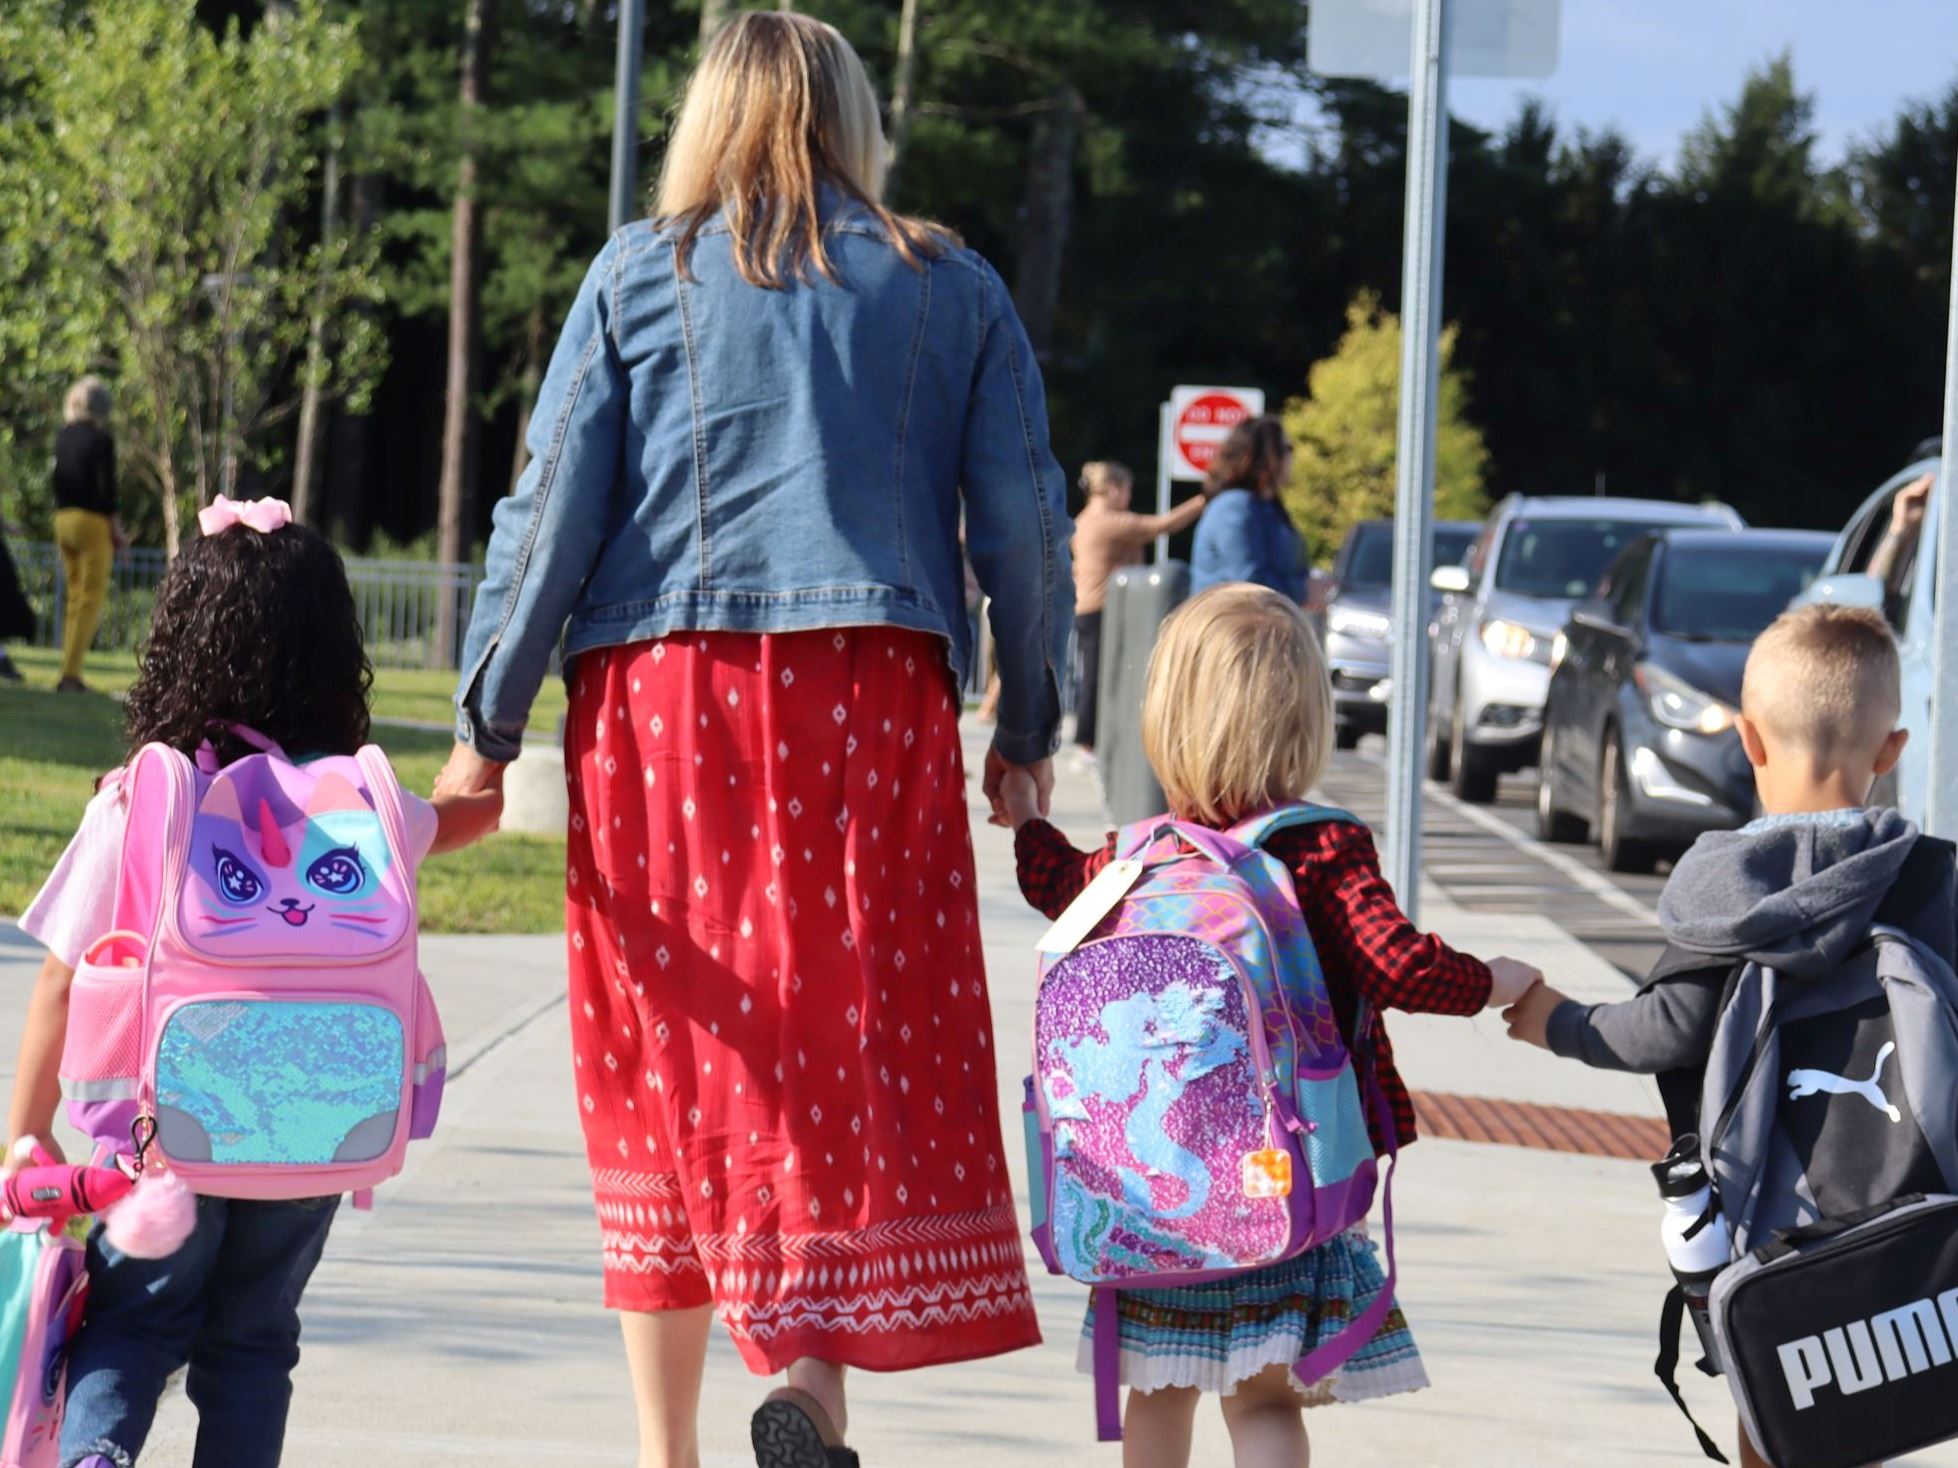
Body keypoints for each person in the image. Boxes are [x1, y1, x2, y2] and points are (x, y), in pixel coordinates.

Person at [432, 14, 1063, 1466]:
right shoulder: (946, 283)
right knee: (838, 1050)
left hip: (668, 713)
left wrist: (487, 724)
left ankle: (671, 1450)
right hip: (871, 704)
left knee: (675, 1055)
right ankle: (810, 1389)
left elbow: (548, 520)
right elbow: (1025, 524)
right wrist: (1025, 722)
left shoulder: (637, 274)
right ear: (854, 120)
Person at [1001, 584, 1542, 1468]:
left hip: (1149, 1209)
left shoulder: (1140, 857)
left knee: (1157, 1392)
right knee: (1262, 1406)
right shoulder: (1320, 849)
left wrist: (1027, 815)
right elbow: (1399, 963)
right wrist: (1493, 982)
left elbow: (1055, 885)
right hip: (1273, 1183)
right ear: (1304, 720)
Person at [6, 498, 496, 1468]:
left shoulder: (147, 798)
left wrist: (27, 1139)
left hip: (175, 1133)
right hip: (318, 1122)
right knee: (253, 1343)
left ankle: (96, 1457)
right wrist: (481, 749)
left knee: (137, 1325)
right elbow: (462, 815)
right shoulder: (359, 802)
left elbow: (60, 977)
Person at [1503, 602, 1951, 1468]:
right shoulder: (1930, 877)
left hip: (1770, 1220)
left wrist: (1558, 1021)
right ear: (1891, 751)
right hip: (1919, 1203)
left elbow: (1664, 1029)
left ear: (1747, 740)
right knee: (1891, 1398)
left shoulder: (1727, 891)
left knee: (1781, 1395)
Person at [1069, 460, 1207, 761]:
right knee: (1100, 676)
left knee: (1096, 674)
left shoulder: (1084, 520)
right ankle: (1087, 741)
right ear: (1114, 489)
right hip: (1101, 609)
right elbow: (1162, 525)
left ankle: (1091, 739)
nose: (1129, 497)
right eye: (1128, 490)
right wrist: (1203, 500)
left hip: (1086, 606)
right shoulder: (1109, 522)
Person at [51, 376, 126, 694]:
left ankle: (69, 668)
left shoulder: (63, 436)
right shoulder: (101, 440)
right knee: (90, 598)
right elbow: (106, 490)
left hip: (63, 520)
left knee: (74, 597)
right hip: (92, 523)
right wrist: (116, 529)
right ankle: (70, 674)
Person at [1189, 416, 1306, 601]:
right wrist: (1304, 591)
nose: (1291, 458)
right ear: (1268, 457)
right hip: (1226, 625)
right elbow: (1250, 582)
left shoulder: (1269, 508)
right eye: (1287, 449)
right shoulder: (1232, 508)